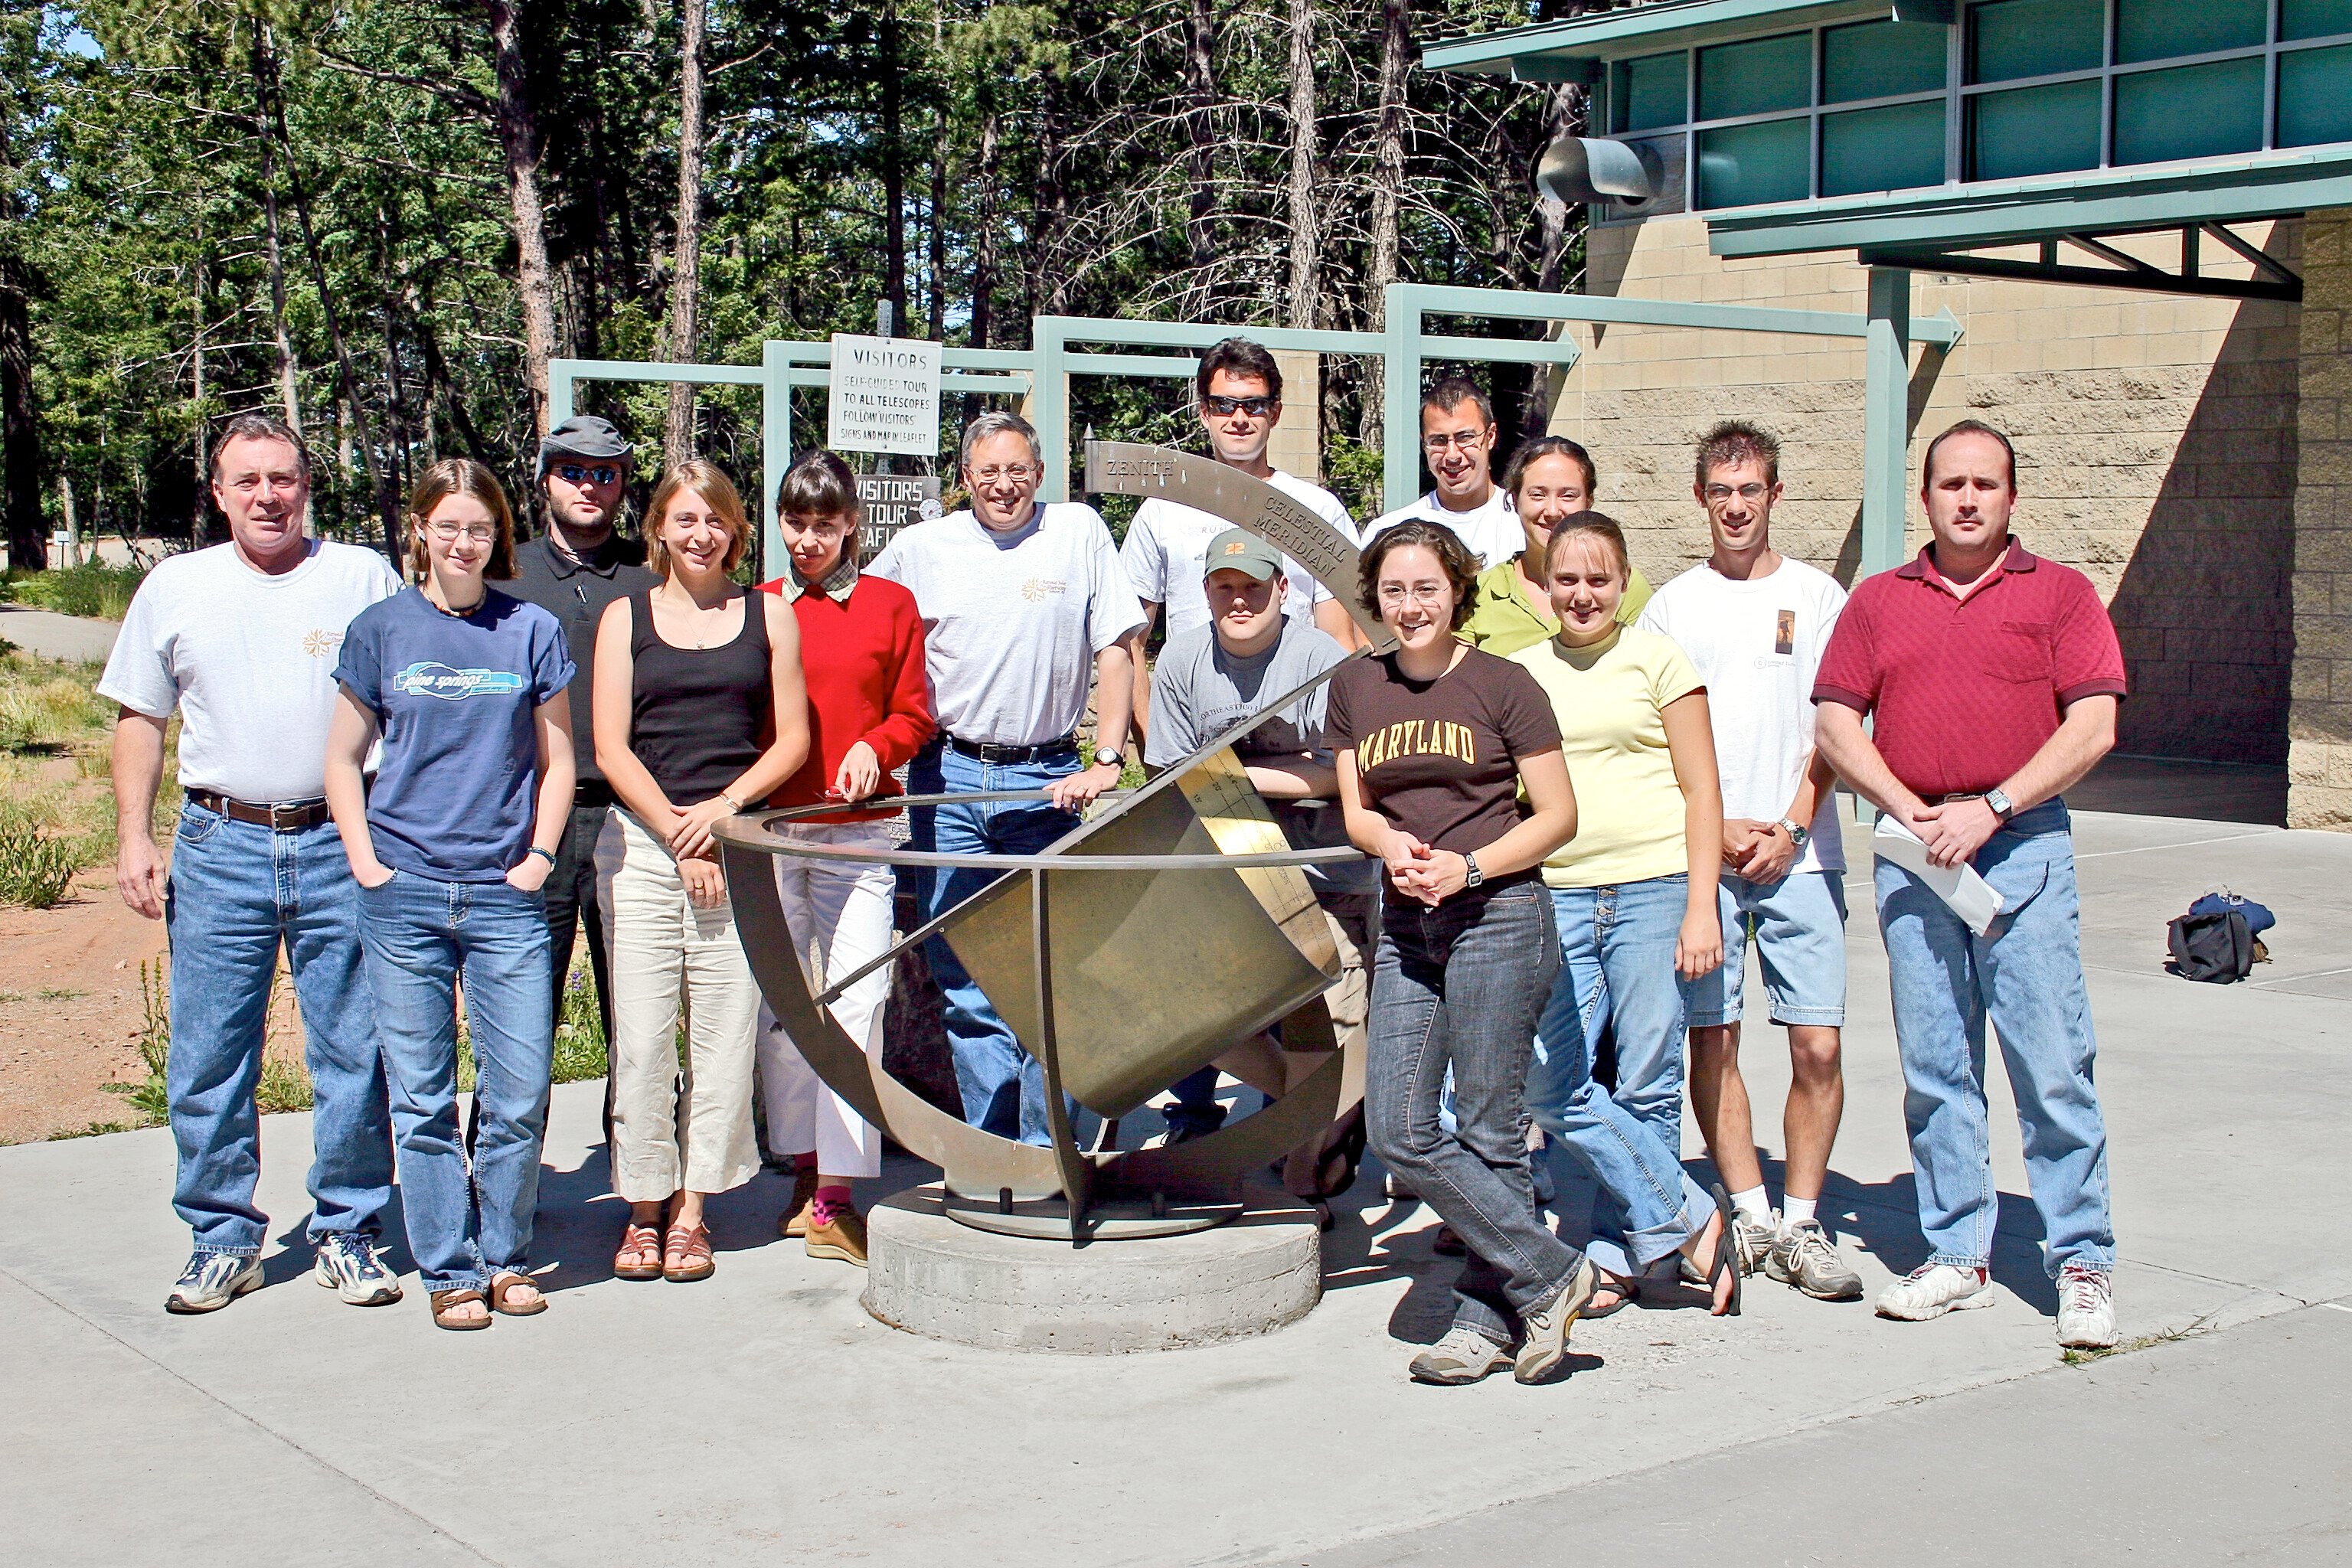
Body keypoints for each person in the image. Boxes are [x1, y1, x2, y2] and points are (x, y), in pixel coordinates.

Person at [1812, 419, 2123, 1350]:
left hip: (2020, 844)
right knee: (1936, 1067)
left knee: (2051, 1063)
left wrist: (1991, 806)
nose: (1969, 498)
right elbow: (1835, 722)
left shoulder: (2060, 595)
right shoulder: (1878, 602)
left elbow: (2094, 724)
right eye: (1952, 483)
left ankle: (2082, 1259)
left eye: (1986, 483)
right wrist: (1913, 809)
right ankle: (1957, 1252)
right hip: (1916, 855)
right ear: (1928, 495)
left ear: (2012, 496)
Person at [101, 413, 405, 1315]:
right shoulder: (176, 585)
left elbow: (412, 704)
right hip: (219, 840)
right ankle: (221, 1237)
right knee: (209, 1051)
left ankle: (348, 1229)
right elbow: (138, 719)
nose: (269, 495)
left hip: (339, 840)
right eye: (249, 481)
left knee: (355, 1047)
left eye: (284, 478)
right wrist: (134, 833)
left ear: (308, 485)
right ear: (219, 492)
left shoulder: (360, 575)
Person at [1329, 519, 1592, 1387]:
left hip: (1499, 912)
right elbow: (1358, 806)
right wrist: (1389, 848)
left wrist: (1471, 863)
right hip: (1407, 923)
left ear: (1457, 591)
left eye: (1427, 588)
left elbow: (1558, 814)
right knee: (1400, 1127)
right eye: (1395, 591)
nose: (1411, 606)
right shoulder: (1356, 687)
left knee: (1488, 1125)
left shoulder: (1502, 685)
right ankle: (1551, 1272)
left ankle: (1486, 1321)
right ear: (1376, 597)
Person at [322, 459, 575, 1330]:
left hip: (505, 894)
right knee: (422, 1094)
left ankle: (507, 1254)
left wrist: (539, 855)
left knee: (516, 1090)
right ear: (421, 530)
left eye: (478, 527)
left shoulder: (531, 629)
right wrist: (366, 862)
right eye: (448, 525)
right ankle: (448, 1265)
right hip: (405, 892)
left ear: (495, 534)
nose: (463, 541)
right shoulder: (380, 629)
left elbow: (559, 758)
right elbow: (342, 758)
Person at [867, 410, 1144, 1145]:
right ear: (964, 478)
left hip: (1049, 779)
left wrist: (1108, 759)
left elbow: (1117, 648)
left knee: (1056, 976)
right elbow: (861, 627)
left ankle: (1045, 1147)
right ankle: (996, 1154)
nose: (1003, 484)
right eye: (988, 471)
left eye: (1018, 469)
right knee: (964, 978)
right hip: (950, 777)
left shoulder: (1079, 531)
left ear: (1040, 474)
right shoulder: (921, 548)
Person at [1638, 421, 1861, 1300]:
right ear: (1701, 498)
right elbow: (1654, 728)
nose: (1736, 506)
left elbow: (1839, 729)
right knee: (1713, 1036)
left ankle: (1803, 1224)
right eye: (1720, 491)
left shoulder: (1819, 596)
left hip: (1801, 859)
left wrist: (1795, 826)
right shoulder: (1672, 605)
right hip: (1706, 861)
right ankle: (1753, 1213)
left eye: (1751, 490)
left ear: (1776, 495)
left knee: (1816, 1043)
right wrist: (1719, 823)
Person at [1509, 511, 1739, 1319]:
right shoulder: (1518, 671)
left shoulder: (1659, 659)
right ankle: (1693, 1216)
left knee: (1646, 1078)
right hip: (1557, 892)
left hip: (1653, 890)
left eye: (1598, 578)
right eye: (1566, 578)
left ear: (1624, 581)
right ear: (1543, 584)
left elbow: (1703, 789)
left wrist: (1703, 905)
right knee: (1548, 1081)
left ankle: (1617, 1252)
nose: (1582, 594)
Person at [593, 459, 808, 1284]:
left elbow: (790, 739)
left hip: (734, 839)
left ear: (736, 530)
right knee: (645, 1040)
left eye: (715, 519)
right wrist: (679, 834)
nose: (700, 533)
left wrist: (724, 812)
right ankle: (640, 1209)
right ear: (658, 528)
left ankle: (691, 1212)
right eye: (684, 518)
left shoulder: (770, 615)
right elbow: (611, 745)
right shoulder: (626, 618)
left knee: (722, 1039)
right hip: (645, 845)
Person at [1143, 529, 1376, 1217]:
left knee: (1332, 1018)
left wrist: (1237, 774)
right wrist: (1286, 778)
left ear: (1283, 589)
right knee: (1195, 1015)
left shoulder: (1320, 658)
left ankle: (1305, 1183)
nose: (1239, 600)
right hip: (1228, 868)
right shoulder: (1183, 659)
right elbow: (1169, 775)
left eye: (1253, 587)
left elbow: (1344, 773)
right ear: (1207, 592)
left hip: (1324, 870)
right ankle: (1301, 1114)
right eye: (1225, 587)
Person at [754, 449, 934, 1266]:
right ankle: (799, 1170)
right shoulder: (756, 607)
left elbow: (915, 714)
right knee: (784, 1008)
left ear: (852, 522)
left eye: (825, 524)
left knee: (855, 1002)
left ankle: (838, 1192)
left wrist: (876, 744)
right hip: (774, 831)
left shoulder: (890, 605)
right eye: (796, 522)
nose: (809, 539)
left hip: (861, 832)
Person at [505, 415, 658, 1063]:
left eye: (605, 474)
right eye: (573, 471)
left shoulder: (651, 579)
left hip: (627, 817)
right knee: (520, 1011)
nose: (589, 486)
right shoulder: (504, 575)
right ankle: (504, 1161)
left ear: (623, 487)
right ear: (545, 480)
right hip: (530, 817)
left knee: (636, 1017)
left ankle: (637, 1159)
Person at [1122, 337, 1362, 750]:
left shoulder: (1318, 510)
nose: (1239, 418)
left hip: (1302, 749)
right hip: (1197, 747)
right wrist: (1156, 749)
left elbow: (1341, 640)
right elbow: (1128, 644)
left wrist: (1336, 754)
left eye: (1254, 405)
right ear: (1204, 413)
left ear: (1275, 413)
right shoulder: (1162, 511)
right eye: (1223, 405)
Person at [1462, 436, 1653, 656]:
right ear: (1514, 500)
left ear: (1589, 501)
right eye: (1538, 495)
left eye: (1568, 496)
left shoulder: (1626, 587)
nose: (1552, 511)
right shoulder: (1479, 592)